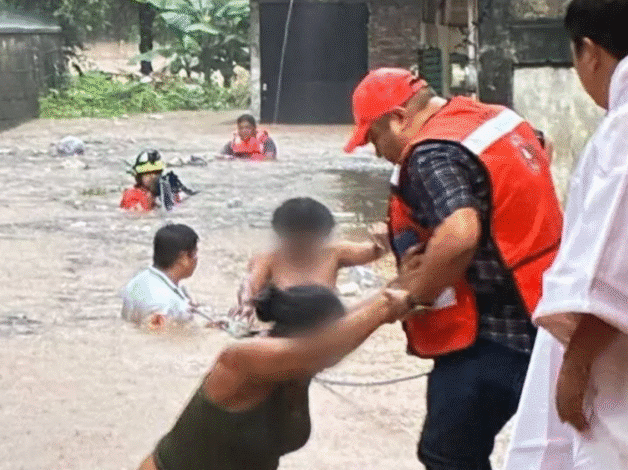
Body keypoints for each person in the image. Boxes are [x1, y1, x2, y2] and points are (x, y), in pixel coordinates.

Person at [344, 68, 564, 469]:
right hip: (549, 315)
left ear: (398, 118)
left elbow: (461, 231)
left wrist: (415, 294)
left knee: (445, 453)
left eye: (375, 138)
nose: (377, 152)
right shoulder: (495, 118)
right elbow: (543, 147)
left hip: (493, 334)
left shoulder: (430, 153)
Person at [504, 0, 628, 468]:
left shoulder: (623, 131)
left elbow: (613, 261)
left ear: (589, 52)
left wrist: (575, 365)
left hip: (612, 357)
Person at [137, 282, 422, 470]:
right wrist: (386, 307)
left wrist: (406, 282)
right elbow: (324, 346)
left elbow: (342, 327)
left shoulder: (301, 370)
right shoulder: (241, 361)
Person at [230, 197, 389, 319]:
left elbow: (375, 252)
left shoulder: (335, 252)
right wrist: (246, 306)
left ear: (323, 235)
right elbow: (249, 287)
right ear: (282, 235)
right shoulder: (268, 259)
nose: (304, 245)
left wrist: (384, 238)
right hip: (284, 325)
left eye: (311, 239)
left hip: (325, 324)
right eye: (297, 239)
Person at [121, 224, 199, 327]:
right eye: (195, 253)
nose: (196, 259)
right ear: (183, 258)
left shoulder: (137, 280)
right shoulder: (171, 304)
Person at [120, 149, 196, 212]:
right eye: (147, 173)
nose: (152, 176)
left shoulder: (167, 191)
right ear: (139, 176)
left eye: (156, 172)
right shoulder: (131, 195)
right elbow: (138, 216)